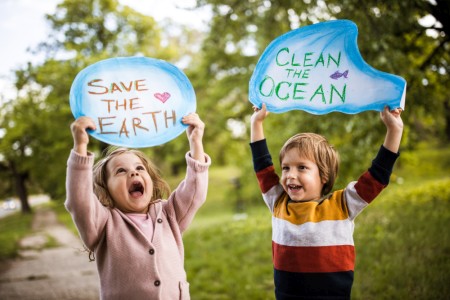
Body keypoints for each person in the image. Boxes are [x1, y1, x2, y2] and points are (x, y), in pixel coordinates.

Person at [250, 103, 403, 299]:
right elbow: (262, 166)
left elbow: (377, 175)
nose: (290, 175)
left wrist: (394, 129)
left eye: (302, 167)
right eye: (286, 167)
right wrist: (257, 122)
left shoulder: (342, 205)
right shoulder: (278, 202)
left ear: (324, 176)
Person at [65, 113, 211, 300]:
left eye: (139, 168)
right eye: (121, 171)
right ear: (106, 189)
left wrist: (196, 141)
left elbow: (195, 191)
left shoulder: (169, 214)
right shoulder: (103, 223)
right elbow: (80, 200)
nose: (133, 173)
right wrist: (80, 149)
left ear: (150, 179)